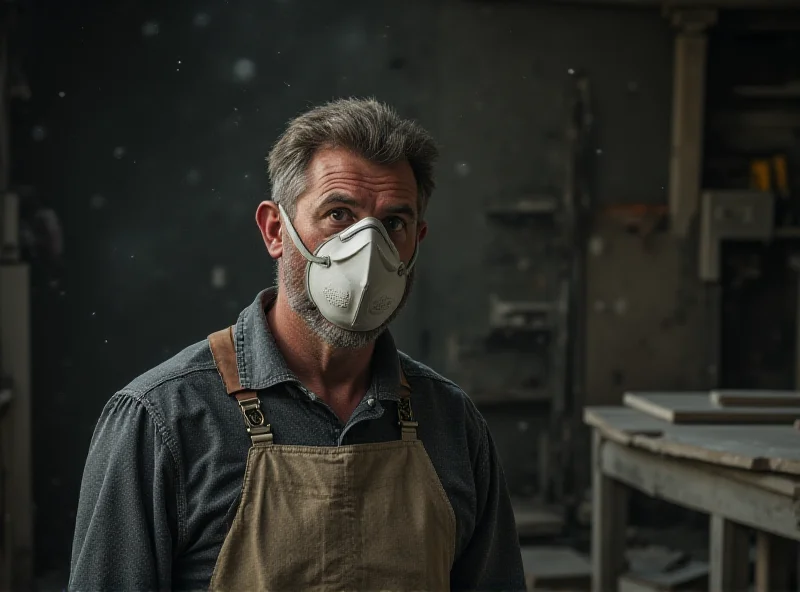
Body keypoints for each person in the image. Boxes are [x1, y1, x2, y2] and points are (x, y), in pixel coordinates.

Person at [69, 98, 525, 591]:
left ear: (418, 239)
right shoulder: (163, 421)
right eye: (338, 214)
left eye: (394, 223)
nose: (367, 249)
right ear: (275, 230)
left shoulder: (453, 424)